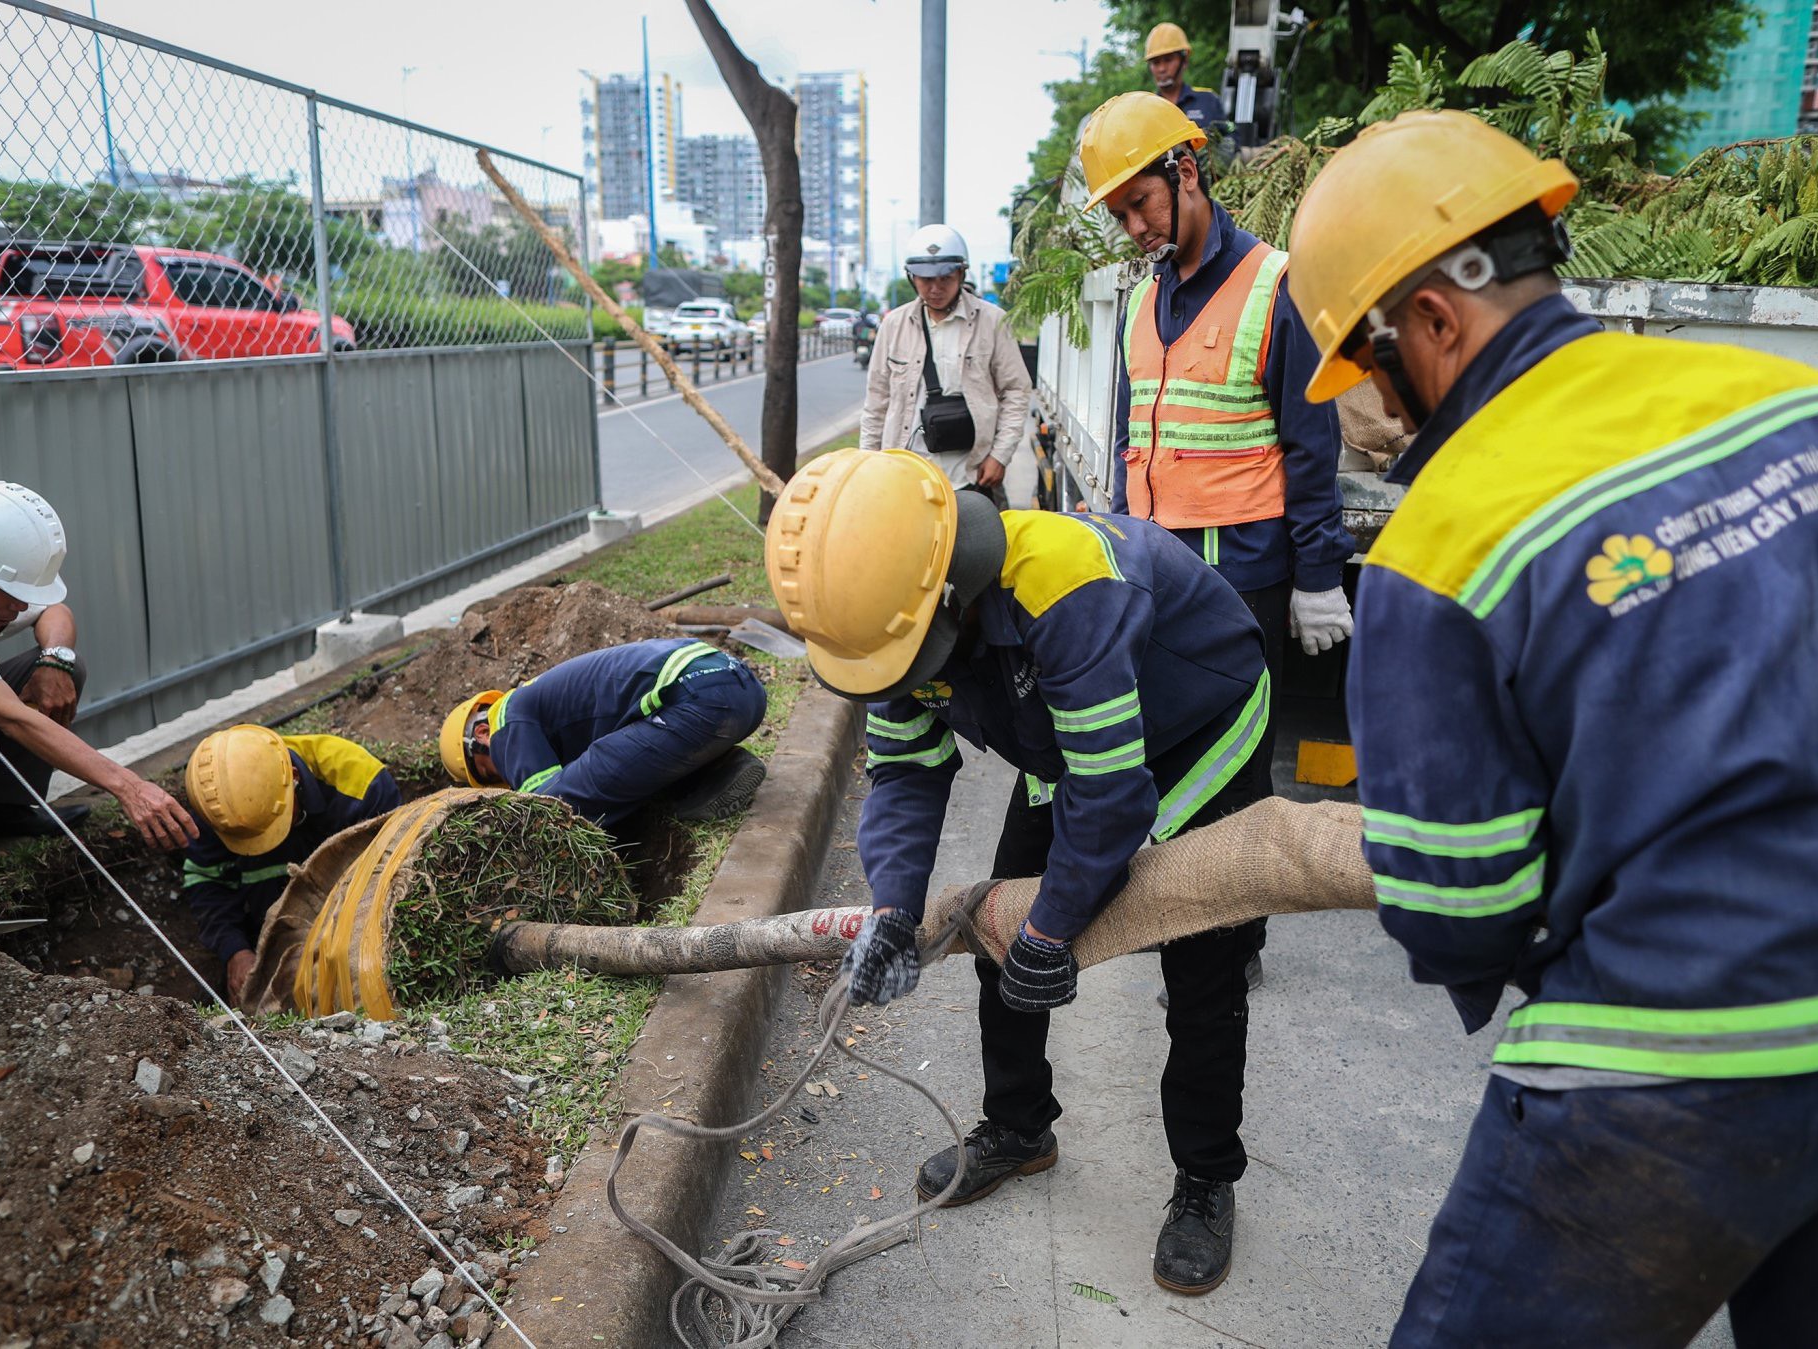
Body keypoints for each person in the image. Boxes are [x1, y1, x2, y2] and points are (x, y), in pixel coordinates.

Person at [1287, 109, 1818, 1346]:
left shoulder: (1441, 540)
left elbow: (1458, 907)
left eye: (1368, 366)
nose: (1371, 407)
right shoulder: (1805, 405)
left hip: (1668, 1065)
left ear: (1433, 320)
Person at [767, 448, 1273, 1296]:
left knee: (1201, 966)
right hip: (1069, 737)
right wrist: (893, 910)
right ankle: (1017, 1125)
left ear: (951, 595)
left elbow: (1112, 795)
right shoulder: (892, 608)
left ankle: (1205, 1178)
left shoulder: (1069, 587)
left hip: (1197, 723)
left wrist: (1055, 927)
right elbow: (905, 772)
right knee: (996, 932)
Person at [1081, 92, 1356, 767]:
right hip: (1154, 570)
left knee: (1233, 768)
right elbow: (1130, 442)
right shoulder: (1142, 300)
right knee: (1159, 761)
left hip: (1241, 579)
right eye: (1119, 215)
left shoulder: (1274, 284)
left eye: (1140, 202)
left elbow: (1310, 445)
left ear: (1185, 173)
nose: (1134, 226)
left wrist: (1318, 576)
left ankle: (1242, 875)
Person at [0, 481, 196, 900]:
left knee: (59, 668)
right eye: (13, 597)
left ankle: (1, 809)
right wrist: (129, 786)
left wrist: (55, 659)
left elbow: (55, 610)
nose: (21, 609)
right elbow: (10, 715)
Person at [439, 637, 767, 828]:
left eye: (489, 772)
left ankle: (699, 783)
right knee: (617, 764)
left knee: (553, 804)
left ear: (481, 735)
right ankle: (721, 771)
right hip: (742, 690)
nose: (508, 778)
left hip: (699, 700)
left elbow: (540, 807)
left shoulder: (504, 719)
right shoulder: (546, 705)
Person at [182, 724, 401, 997]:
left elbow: (390, 881)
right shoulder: (216, 807)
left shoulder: (360, 785)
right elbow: (207, 881)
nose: (263, 843)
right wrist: (234, 950)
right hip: (266, 946)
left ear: (294, 778)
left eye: (271, 825)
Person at [859, 225, 1032, 502]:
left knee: (977, 544)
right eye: (925, 280)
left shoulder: (992, 322)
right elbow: (877, 400)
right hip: (905, 477)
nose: (935, 288)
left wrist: (1000, 455)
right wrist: (867, 463)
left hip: (971, 476)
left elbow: (1016, 391)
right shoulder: (894, 325)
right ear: (911, 278)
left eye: (945, 279)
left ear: (961, 273)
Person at [1143, 22, 1227, 134]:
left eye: (1168, 60)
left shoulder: (1208, 100)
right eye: (1156, 62)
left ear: (1185, 60)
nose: (1162, 68)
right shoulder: (1146, 110)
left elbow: (1231, 138)